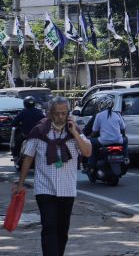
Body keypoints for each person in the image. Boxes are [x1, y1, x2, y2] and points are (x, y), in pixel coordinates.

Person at [11, 96, 92, 256]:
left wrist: (75, 133)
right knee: (49, 227)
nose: (60, 117)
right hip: (45, 188)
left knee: (62, 230)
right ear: (49, 113)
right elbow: (28, 157)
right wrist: (20, 184)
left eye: (63, 113)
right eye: (57, 113)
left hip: (67, 189)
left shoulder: (74, 131)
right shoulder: (39, 131)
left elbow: (87, 152)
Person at [87, 95, 127, 167]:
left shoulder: (99, 115)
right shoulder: (117, 114)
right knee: (126, 140)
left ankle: (91, 162)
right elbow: (123, 128)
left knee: (90, 142)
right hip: (118, 140)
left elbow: (94, 131)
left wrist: (90, 138)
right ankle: (126, 157)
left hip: (104, 141)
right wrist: (122, 137)